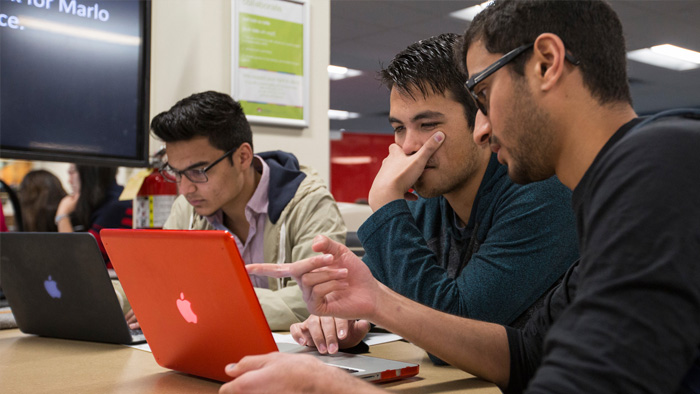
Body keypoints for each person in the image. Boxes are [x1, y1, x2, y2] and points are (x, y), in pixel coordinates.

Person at [218, 1, 700, 393]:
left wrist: (326, 388)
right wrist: (379, 302)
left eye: (485, 96)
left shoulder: (662, 163)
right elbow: (527, 354)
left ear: (547, 64)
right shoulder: (617, 185)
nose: (483, 128)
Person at [293, 33, 578, 359]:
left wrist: (387, 204)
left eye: (427, 124)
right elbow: (367, 291)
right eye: (399, 127)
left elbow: (454, 333)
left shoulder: (541, 196)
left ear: (481, 118)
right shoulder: (431, 203)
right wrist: (337, 323)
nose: (409, 146)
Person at [150, 91, 346, 331]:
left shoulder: (309, 204)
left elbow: (319, 299)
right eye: (176, 173)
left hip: (291, 358)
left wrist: (211, 303)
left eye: (198, 171)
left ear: (243, 157)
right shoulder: (187, 208)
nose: (185, 189)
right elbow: (161, 282)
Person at [55, 164, 133, 264]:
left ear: (89, 174)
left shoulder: (116, 207)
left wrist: (62, 216)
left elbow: (81, 261)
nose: (69, 181)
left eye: (72, 172)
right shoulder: (110, 200)